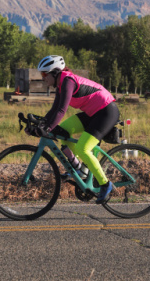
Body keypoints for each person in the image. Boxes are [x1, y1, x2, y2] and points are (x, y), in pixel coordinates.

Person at [31, 55, 119, 203]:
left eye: (44, 74)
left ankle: (105, 184)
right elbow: (54, 110)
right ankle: (80, 169)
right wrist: (40, 125)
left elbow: (61, 111)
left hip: (106, 112)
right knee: (62, 131)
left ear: (55, 72)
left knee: (83, 148)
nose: (43, 78)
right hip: (93, 113)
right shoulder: (61, 84)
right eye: (42, 74)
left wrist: (46, 128)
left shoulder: (67, 81)